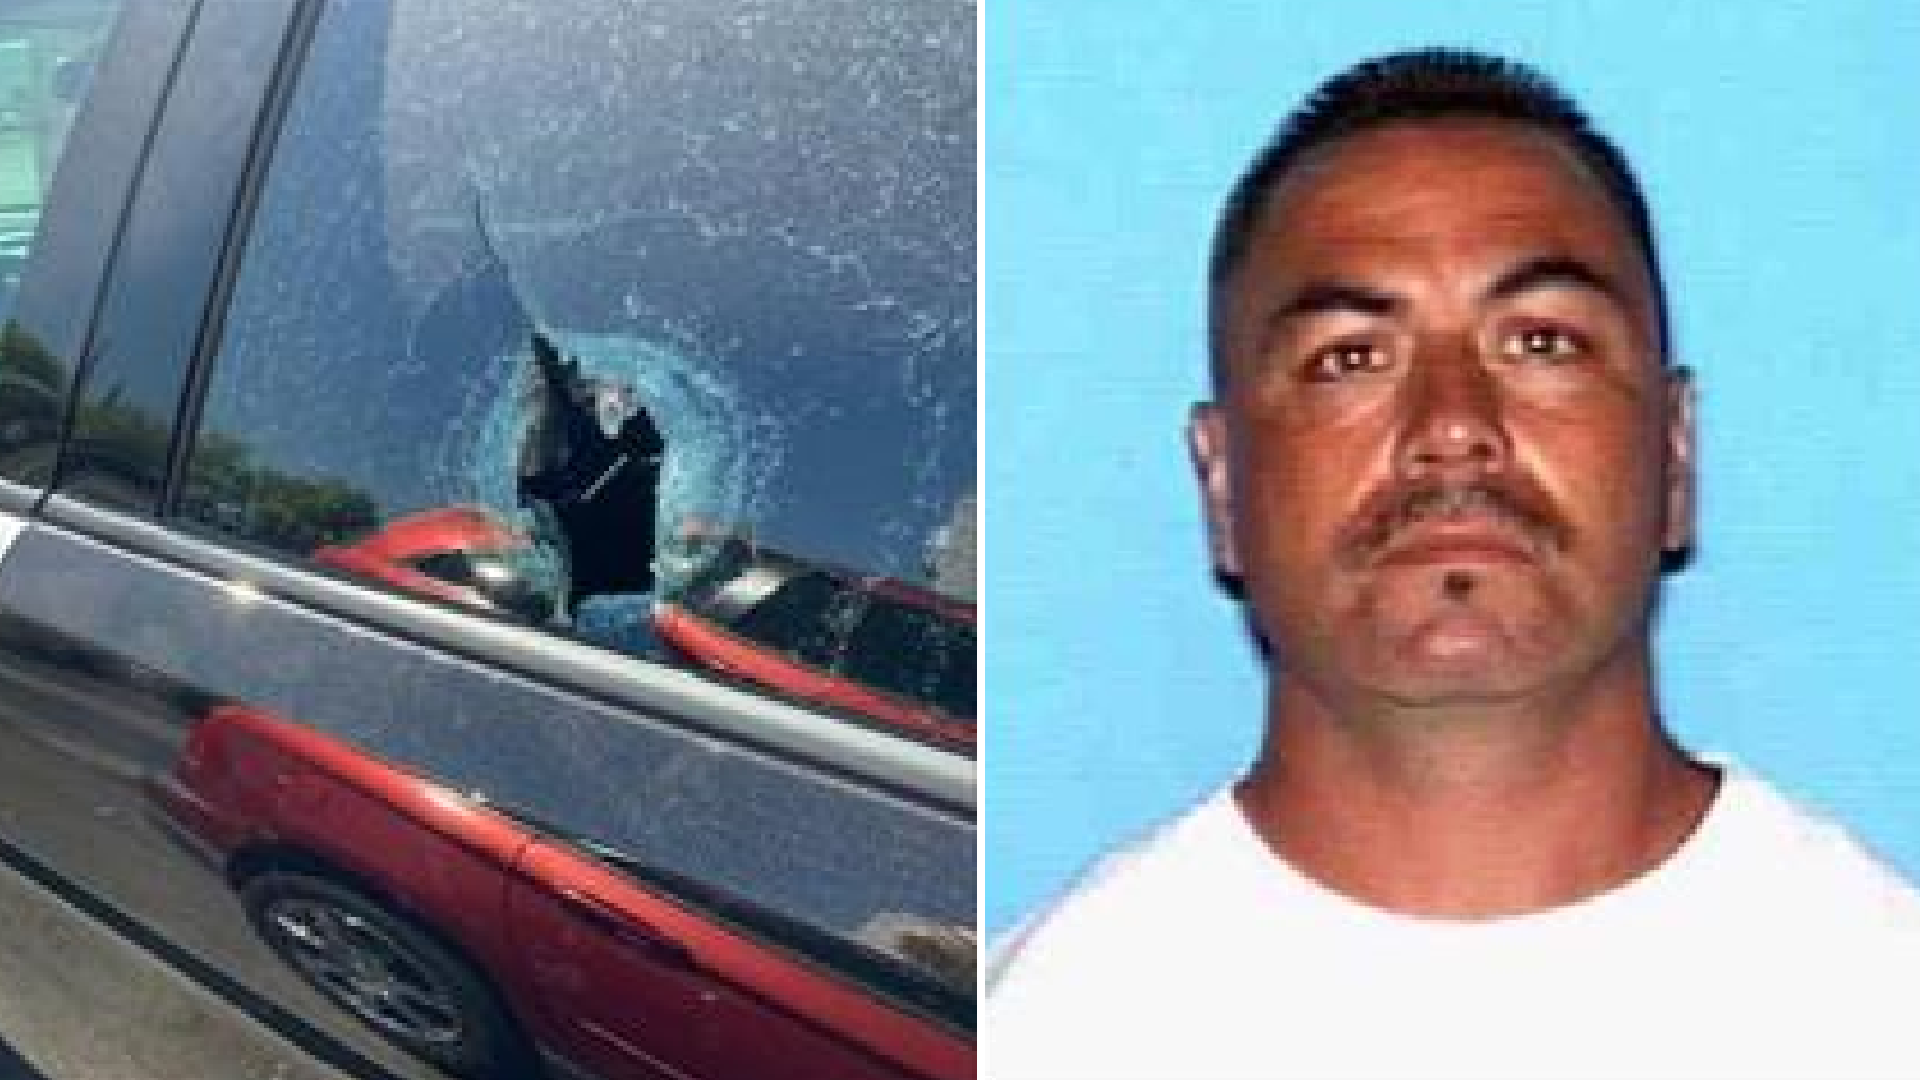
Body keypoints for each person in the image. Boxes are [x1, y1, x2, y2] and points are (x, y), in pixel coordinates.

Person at [985, 48, 1920, 1080]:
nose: (1454, 426)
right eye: (1350, 357)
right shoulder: (1048, 1027)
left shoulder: (1884, 1001)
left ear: (1675, 452)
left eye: (1542, 342)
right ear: (1221, 489)